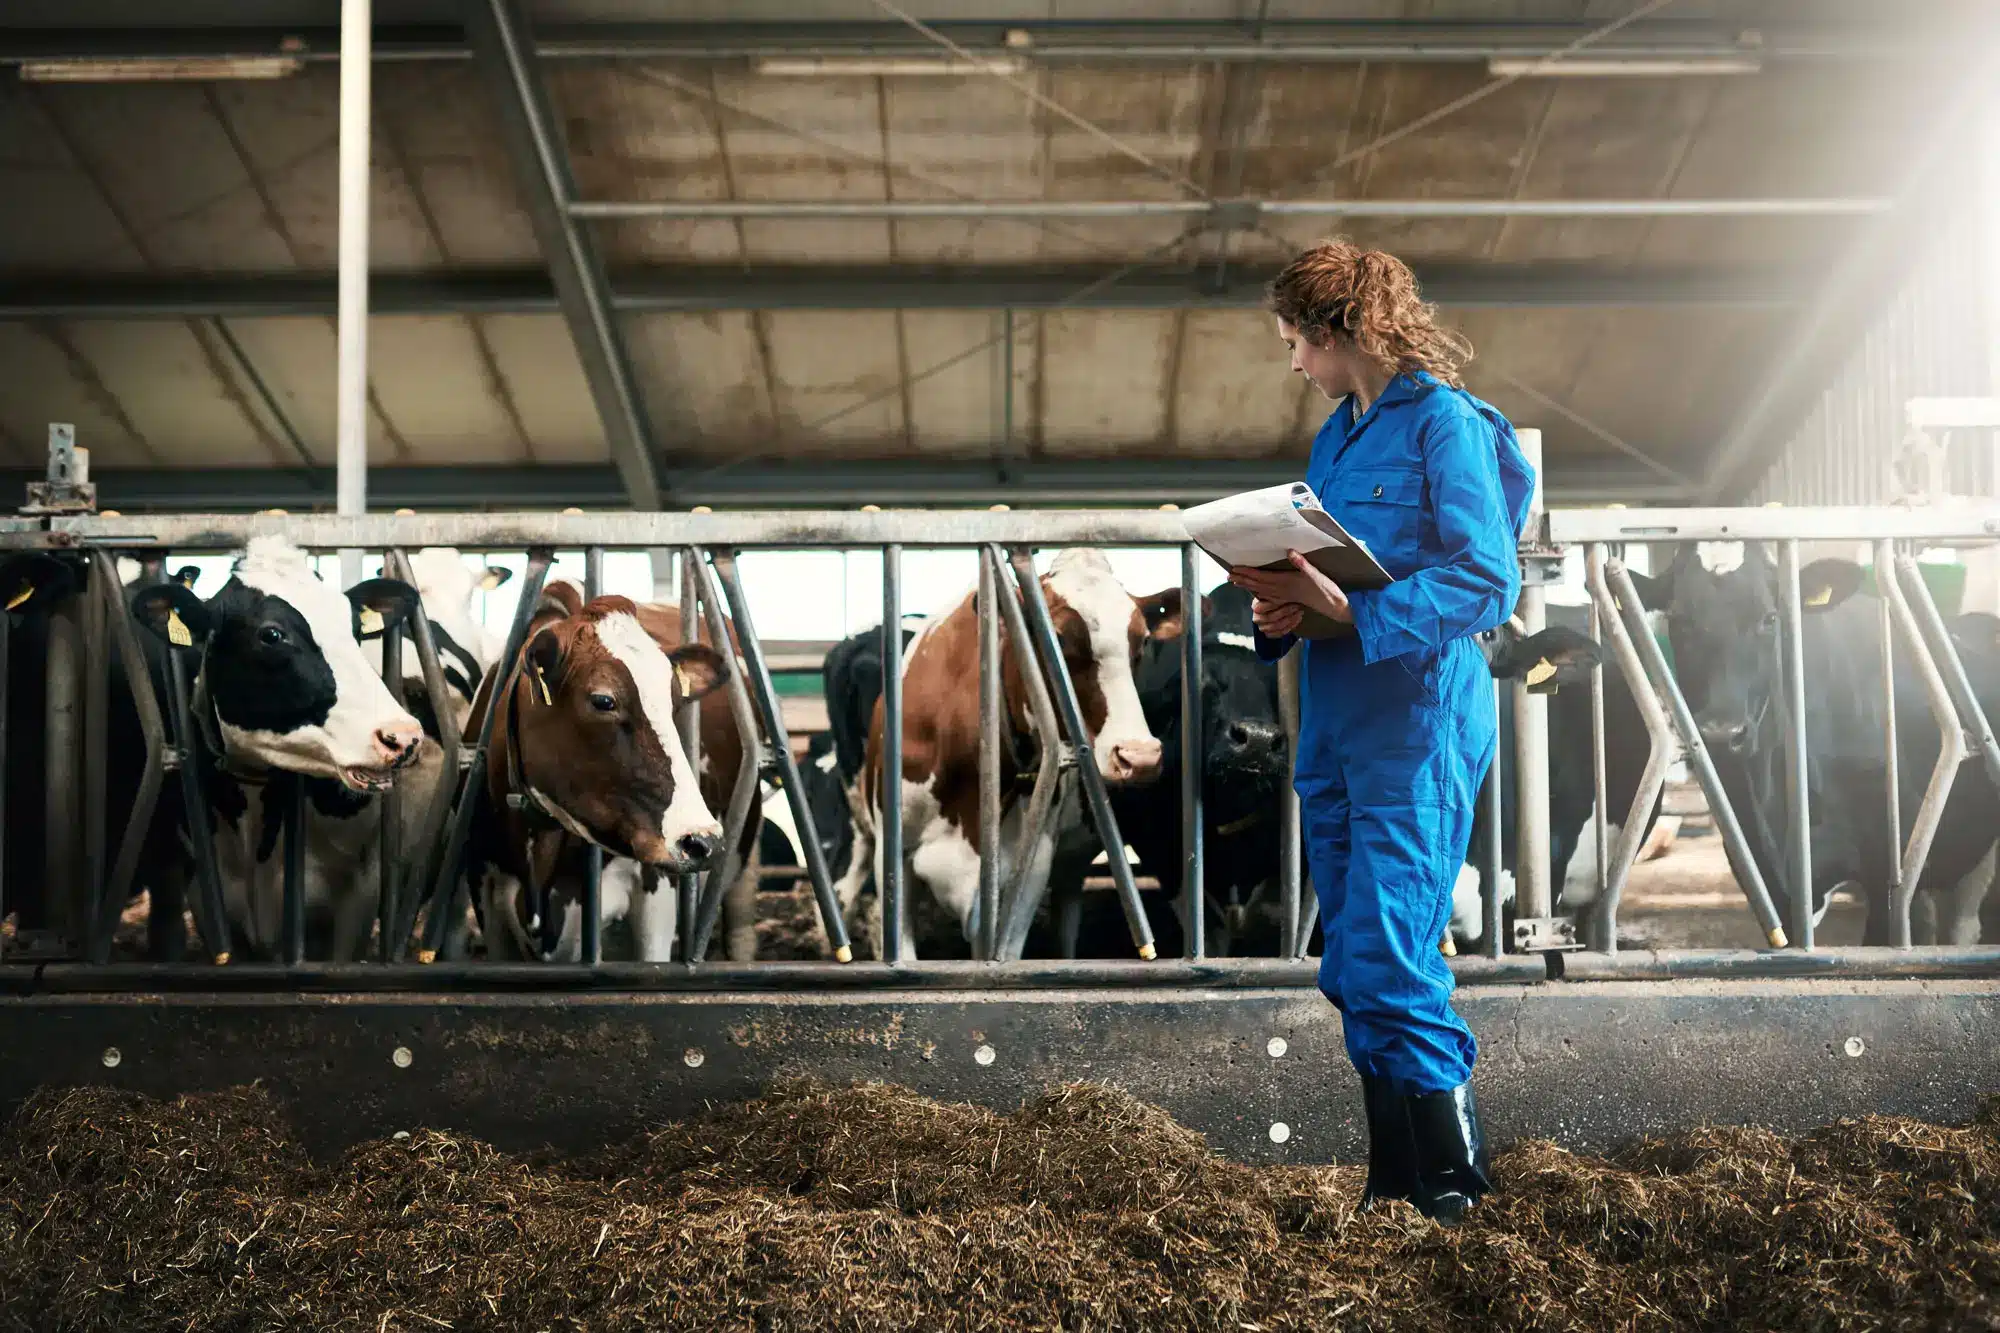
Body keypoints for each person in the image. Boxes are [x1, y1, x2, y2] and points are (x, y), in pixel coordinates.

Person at [1228, 239, 1532, 1224]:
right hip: (1337, 717)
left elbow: (1487, 577)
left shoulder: (1447, 425)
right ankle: (1392, 1179)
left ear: (1340, 330)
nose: (1292, 365)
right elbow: (1325, 572)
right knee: (1349, 956)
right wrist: (1284, 609)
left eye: (1296, 343)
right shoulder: (1336, 439)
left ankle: (1452, 1187)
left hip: (1417, 716)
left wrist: (1358, 615)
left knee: (1391, 952)